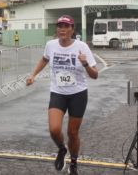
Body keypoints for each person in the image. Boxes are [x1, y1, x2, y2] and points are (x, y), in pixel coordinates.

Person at [26, 15, 98, 175]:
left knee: (73, 133)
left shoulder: (82, 47)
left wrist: (85, 63)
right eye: (59, 26)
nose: (62, 30)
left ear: (72, 29)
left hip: (78, 94)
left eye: (66, 27)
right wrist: (33, 75)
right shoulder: (51, 45)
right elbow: (44, 60)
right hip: (58, 92)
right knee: (54, 129)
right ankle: (61, 149)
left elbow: (95, 75)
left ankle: (73, 163)